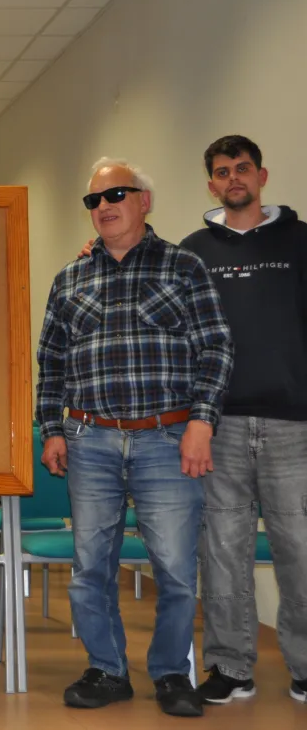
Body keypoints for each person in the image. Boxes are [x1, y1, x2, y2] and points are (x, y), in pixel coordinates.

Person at [36, 158, 234, 718]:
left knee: (174, 567)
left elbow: (216, 347)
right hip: (90, 441)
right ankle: (106, 670)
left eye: (116, 194)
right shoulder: (70, 278)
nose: (104, 206)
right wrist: (52, 429)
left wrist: (202, 421)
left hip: (166, 441)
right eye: (94, 200)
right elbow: (50, 362)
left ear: (144, 200)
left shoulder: (183, 266)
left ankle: (172, 674)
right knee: (90, 568)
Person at [179, 136, 307, 706]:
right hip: (218, 426)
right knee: (224, 553)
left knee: (299, 551)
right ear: (211, 183)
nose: (234, 178)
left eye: (244, 169)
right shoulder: (193, 250)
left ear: (262, 176)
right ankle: (230, 667)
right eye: (223, 171)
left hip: (293, 426)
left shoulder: (301, 241)